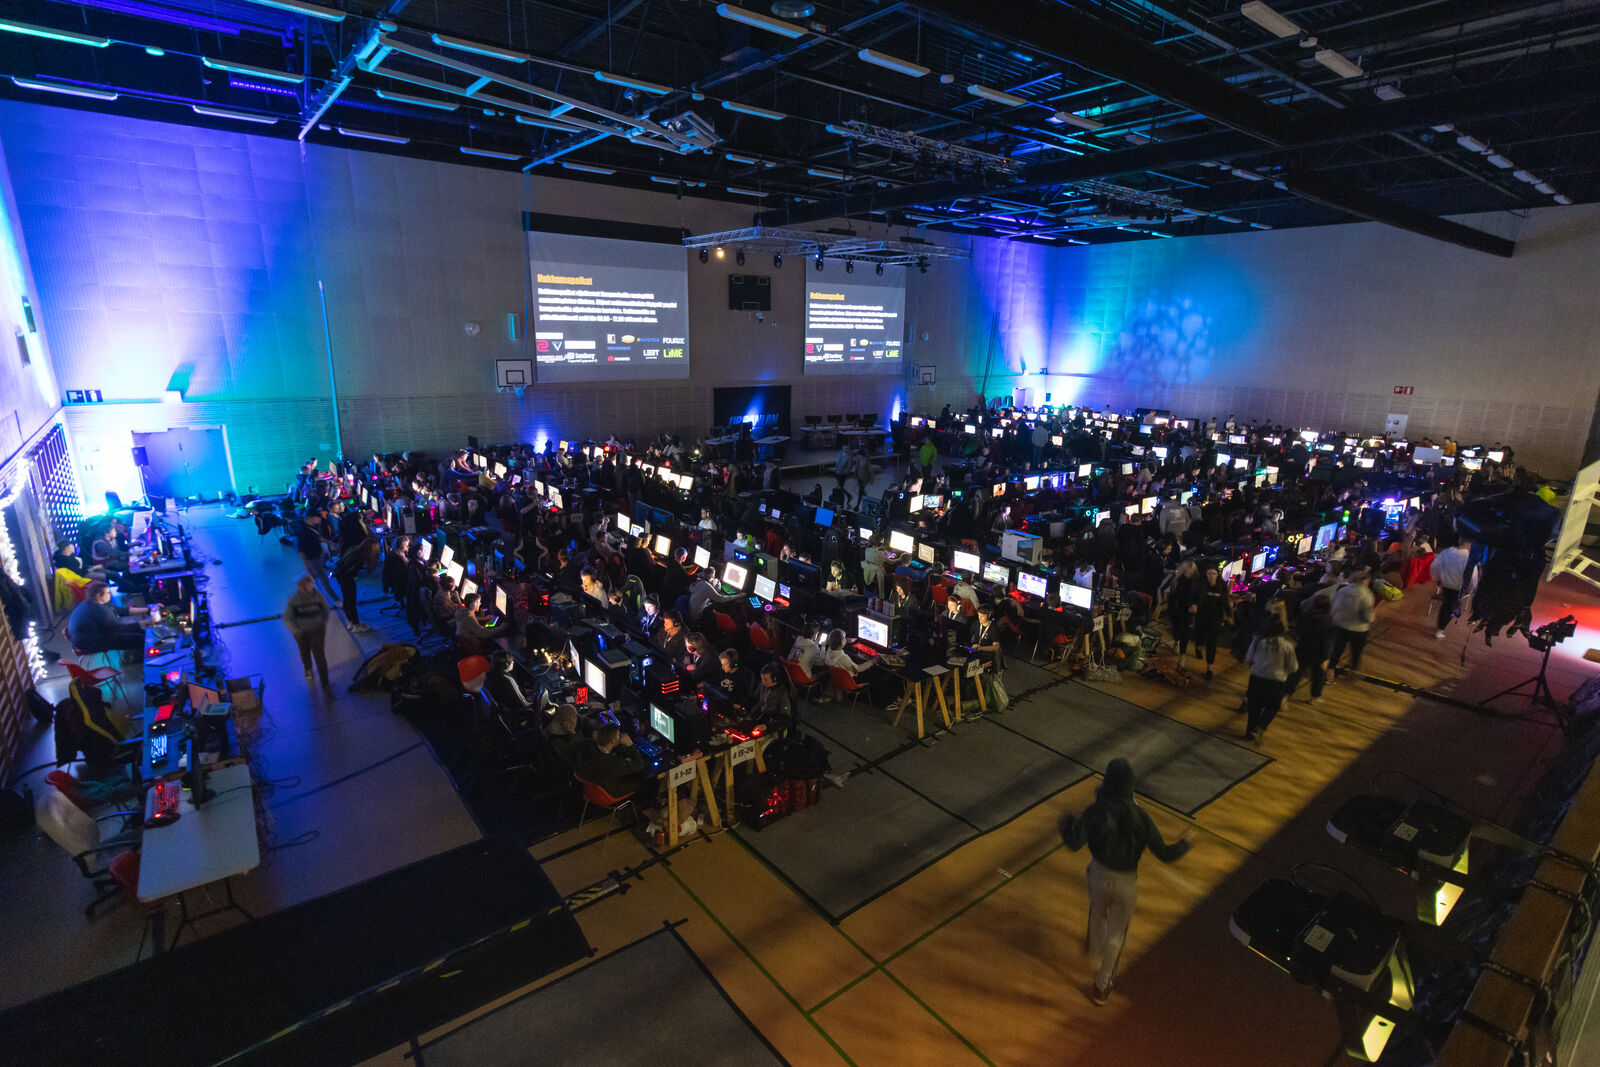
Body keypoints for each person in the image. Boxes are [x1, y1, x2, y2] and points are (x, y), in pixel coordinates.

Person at [1059, 758, 1194, 1005]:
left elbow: (1074, 843)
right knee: (1117, 933)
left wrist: (1066, 822)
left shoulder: (1096, 810)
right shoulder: (1140, 816)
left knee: (1098, 911)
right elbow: (1165, 854)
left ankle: (1094, 948)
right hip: (1126, 881)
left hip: (1099, 873)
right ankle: (1102, 985)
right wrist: (1185, 842)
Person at [1243, 616, 1297, 742]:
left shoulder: (1258, 641)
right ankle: (1261, 726)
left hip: (1256, 677)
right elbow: (1293, 667)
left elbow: (1248, 658)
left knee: (1254, 706)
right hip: (1276, 680)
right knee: (1273, 706)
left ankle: (1249, 732)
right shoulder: (1286, 645)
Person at [67, 580, 150, 658]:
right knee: (138, 638)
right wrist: (147, 622)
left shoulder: (96, 601)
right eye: (108, 593)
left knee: (141, 632)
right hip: (90, 642)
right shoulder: (96, 608)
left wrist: (148, 610)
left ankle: (143, 655)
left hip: (93, 635)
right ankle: (146, 659)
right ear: (98, 595)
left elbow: (122, 611)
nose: (110, 594)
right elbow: (117, 629)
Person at [282, 575, 332, 688]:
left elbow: (325, 610)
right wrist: (294, 629)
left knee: (319, 655)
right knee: (304, 651)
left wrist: (322, 624)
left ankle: (325, 681)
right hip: (301, 632)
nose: (305, 587)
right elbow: (287, 617)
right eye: (301, 585)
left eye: (307, 584)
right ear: (298, 586)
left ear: (312, 584)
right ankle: (308, 668)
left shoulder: (319, 597)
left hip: (317, 630)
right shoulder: (294, 600)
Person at [1329, 568, 1376, 675]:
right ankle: (1353, 669)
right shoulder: (1367, 595)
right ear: (1364, 582)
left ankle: (1330, 672)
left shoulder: (1342, 591)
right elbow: (1367, 616)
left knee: (1337, 650)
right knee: (1356, 651)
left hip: (1339, 625)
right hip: (1358, 629)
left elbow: (1333, 606)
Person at [1429, 535, 1474, 638]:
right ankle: (1440, 629)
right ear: (1470, 544)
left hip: (1446, 585)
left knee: (1445, 605)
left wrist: (1438, 578)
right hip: (1458, 588)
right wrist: (1470, 589)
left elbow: (1435, 566)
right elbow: (1472, 576)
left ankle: (1440, 626)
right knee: (1450, 608)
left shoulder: (1447, 552)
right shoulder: (1469, 558)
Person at [1192, 563, 1231, 680]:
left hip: (1215, 618)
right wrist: (1193, 604)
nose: (1211, 576)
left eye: (1214, 573)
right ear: (1205, 574)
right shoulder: (1200, 585)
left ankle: (1209, 667)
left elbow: (1225, 602)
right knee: (1199, 635)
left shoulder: (1221, 586)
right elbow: (1193, 597)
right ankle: (1198, 647)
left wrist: (1229, 615)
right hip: (1201, 616)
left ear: (1217, 574)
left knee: (1212, 642)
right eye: (1209, 573)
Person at [332, 536, 377, 634]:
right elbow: (355, 571)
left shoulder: (354, 549)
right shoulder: (359, 556)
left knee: (346, 599)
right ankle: (356, 625)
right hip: (346, 578)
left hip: (340, 575)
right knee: (351, 601)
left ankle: (351, 622)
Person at [1167, 560, 1198, 665]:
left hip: (1187, 610)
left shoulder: (1196, 582)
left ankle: (1182, 654)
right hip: (1177, 608)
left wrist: (1195, 605)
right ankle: (1176, 641)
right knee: (1176, 627)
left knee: (1185, 632)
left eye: (1191, 569)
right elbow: (1172, 595)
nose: (1189, 571)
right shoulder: (1177, 580)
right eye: (1187, 568)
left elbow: (1198, 596)